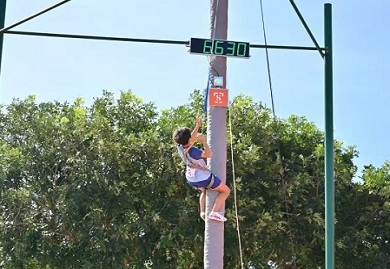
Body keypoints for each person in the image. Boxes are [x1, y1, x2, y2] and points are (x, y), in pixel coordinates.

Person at [172, 116, 230, 222]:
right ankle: (214, 212)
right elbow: (209, 154)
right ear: (189, 139)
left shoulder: (180, 146)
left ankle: (202, 212)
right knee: (226, 191)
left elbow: (190, 138)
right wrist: (203, 141)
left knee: (204, 191)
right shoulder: (194, 151)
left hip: (191, 177)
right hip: (202, 177)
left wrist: (198, 126)